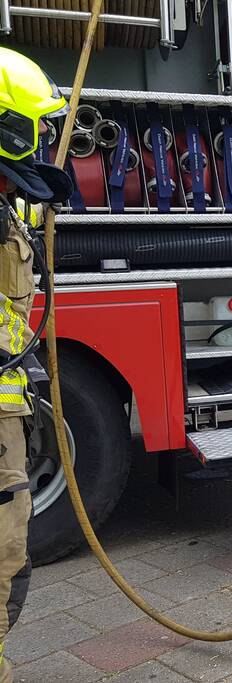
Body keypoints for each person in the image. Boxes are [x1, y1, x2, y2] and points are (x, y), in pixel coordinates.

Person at [0, 47, 74, 683]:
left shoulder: (7, 203)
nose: (46, 140)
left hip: (7, 421)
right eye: (36, 127)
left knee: (10, 560)